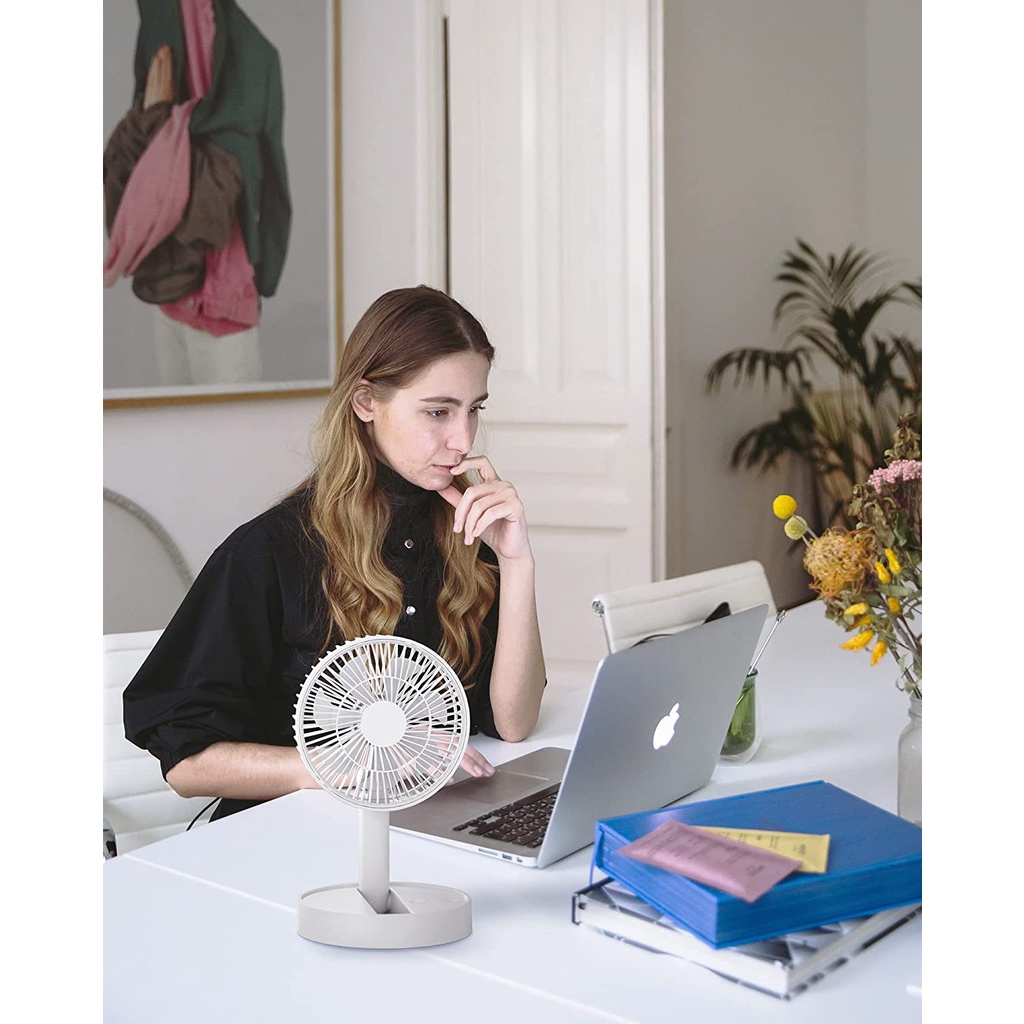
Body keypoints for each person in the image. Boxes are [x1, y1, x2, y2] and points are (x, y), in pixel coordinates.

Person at [123, 285, 547, 819]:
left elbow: (513, 723)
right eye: (438, 412)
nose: (463, 440)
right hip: (293, 834)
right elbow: (186, 766)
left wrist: (516, 562)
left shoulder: (465, 532)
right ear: (366, 402)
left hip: (423, 821)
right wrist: (339, 765)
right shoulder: (269, 550)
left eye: (473, 410)